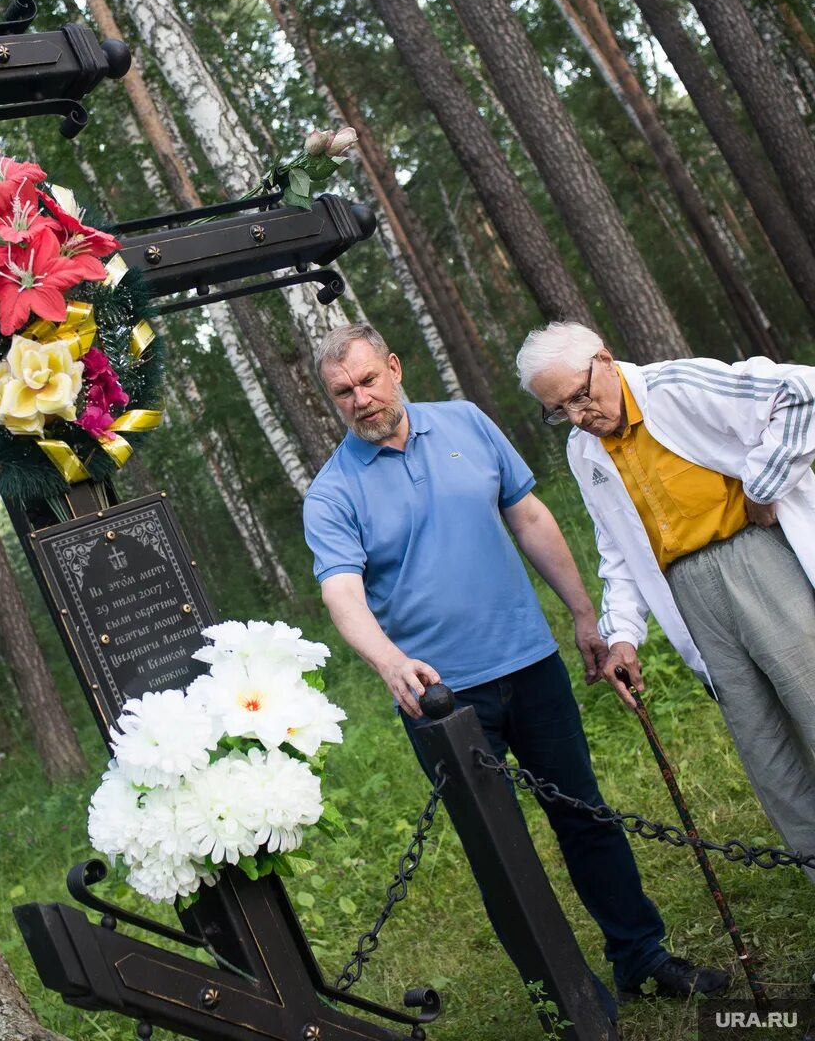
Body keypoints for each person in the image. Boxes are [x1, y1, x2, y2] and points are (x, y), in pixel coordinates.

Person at [302, 322, 728, 1004]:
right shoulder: (332, 493)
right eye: (343, 392)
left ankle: (641, 957)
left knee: (586, 814)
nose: (360, 399)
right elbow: (341, 590)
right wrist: (387, 661)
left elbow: (527, 515)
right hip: (440, 700)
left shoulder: (466, 422)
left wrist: (584, 614)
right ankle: (567, 999)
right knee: (503, 855)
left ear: (394, 365)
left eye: (368, 381)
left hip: (530, 664)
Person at [516, 320, 815, 878]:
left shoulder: (677, 386)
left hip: (756, 561)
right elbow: (619, 549)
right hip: (690, 598)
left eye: (581, 396)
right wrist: (622, 634)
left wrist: (763, 484)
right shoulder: (585, 450)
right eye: (559, 410)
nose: (579, 416)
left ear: (604, 359)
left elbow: (802, 393)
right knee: (768, 755)